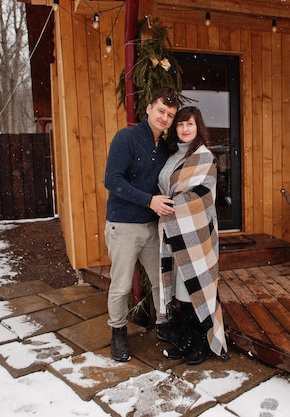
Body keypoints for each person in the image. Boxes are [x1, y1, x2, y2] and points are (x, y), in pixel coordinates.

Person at [104, 88, 181, 362]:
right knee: (122, 285)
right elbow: (112, 180)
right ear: (149, 108)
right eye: (161, 111)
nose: (165, 117)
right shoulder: (126, 138)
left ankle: (164, 326)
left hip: (152, 227)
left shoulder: (164, 147)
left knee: (162, 281)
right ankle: (118, 333)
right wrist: (149, 201)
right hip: (124, 226)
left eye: (170, 115)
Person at [157, 106, 229, 365]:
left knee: (195, 287)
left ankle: (202, 342)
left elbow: (204, 195)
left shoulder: (204, 157)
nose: (184, 129)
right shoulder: (171, 156)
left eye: (190, 124)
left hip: (196, 232)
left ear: (198, 128)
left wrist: (172, 206)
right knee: (180, 288)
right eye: (180, 125)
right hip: (172, 231)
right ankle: (186, 340)